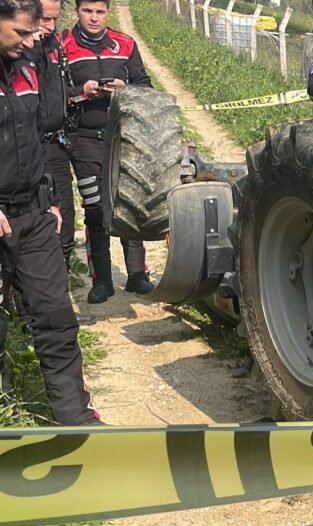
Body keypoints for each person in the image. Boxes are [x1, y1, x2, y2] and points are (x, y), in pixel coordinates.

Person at [0, 0, 99, 425]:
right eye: (22, 31)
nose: (34, 37)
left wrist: (53, 197)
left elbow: (40, 138)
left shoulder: (26, 67)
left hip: (34, 214)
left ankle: (74, 422)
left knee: (57, 319)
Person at [62, 0, 154, 304]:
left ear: (108, 13)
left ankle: (138, 274)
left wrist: (124, 88)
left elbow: (146, 87)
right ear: (77, 11)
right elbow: (53, 96)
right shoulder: (62, 45)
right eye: (87, 11)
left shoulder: (125, 44)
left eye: (100, 12)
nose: (93, 18)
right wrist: (81, 92)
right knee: (95, 207)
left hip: (123, 135)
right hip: (84, 138)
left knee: (130, 203)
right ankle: (100, 281)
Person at [32, 0, 94, 326]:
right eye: (44, 19)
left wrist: (78, 92)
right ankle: (37, 309)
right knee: (38, 230)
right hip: (30, 149)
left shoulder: (54, 44)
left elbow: (58, 91)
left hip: (56, 145)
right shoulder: (20, 54)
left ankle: (58, 302)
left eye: (55, 19)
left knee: (65, 226)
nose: (50, 26)